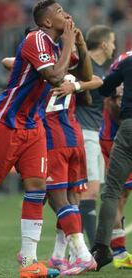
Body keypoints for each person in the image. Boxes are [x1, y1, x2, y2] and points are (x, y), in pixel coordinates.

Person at [0, 1, 93, 277]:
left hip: (33, 125)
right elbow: (54, 76)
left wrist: (81, 45)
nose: (66, 15)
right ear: (47, 22)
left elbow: (83, 76)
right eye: (60, 12)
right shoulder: (35, 39)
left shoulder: (56, 46)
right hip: (6, 123)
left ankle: (29, 262)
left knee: (37, 187)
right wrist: (67, 45)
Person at [2, 55, 101, 275]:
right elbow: (97, 80)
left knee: (56, 199)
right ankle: (59, 255)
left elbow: (7, 62)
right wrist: (76, 84)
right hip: (75, 137)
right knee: (67, 198)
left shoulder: (40, 74)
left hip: (51, 141)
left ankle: (77, 255)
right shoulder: (69, 74)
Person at [75, 25, 116, 247]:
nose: (114, 46)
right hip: (83, 132)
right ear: (102, 44)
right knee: (87, 192)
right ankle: (86, 251)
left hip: (95, 133)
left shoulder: (102, 69)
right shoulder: (83, 64)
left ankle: (86, 251)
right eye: (112, 42)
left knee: (92, 190)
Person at [92, 52, 132, 270]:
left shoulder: (126, 61)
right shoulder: (125, 58)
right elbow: (110, 98)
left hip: (126, 130)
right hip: (113, 133)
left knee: (114, 192)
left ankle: (103, 249)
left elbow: (105, 89)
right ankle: (118, 249)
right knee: (119, 193)